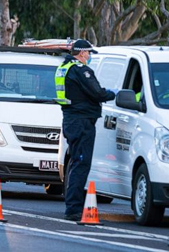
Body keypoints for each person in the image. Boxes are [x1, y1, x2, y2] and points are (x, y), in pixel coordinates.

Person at [55, 39, 115, 221]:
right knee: (81, 163)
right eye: (88, 53)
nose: (89, 56)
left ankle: (72, 205)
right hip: (82, 122)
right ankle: (73, 209)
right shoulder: (81, 70)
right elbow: (97, 93)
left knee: (75, 162)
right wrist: (114, 93)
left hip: (71, 120)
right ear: (82, 53)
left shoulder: (64, 68)